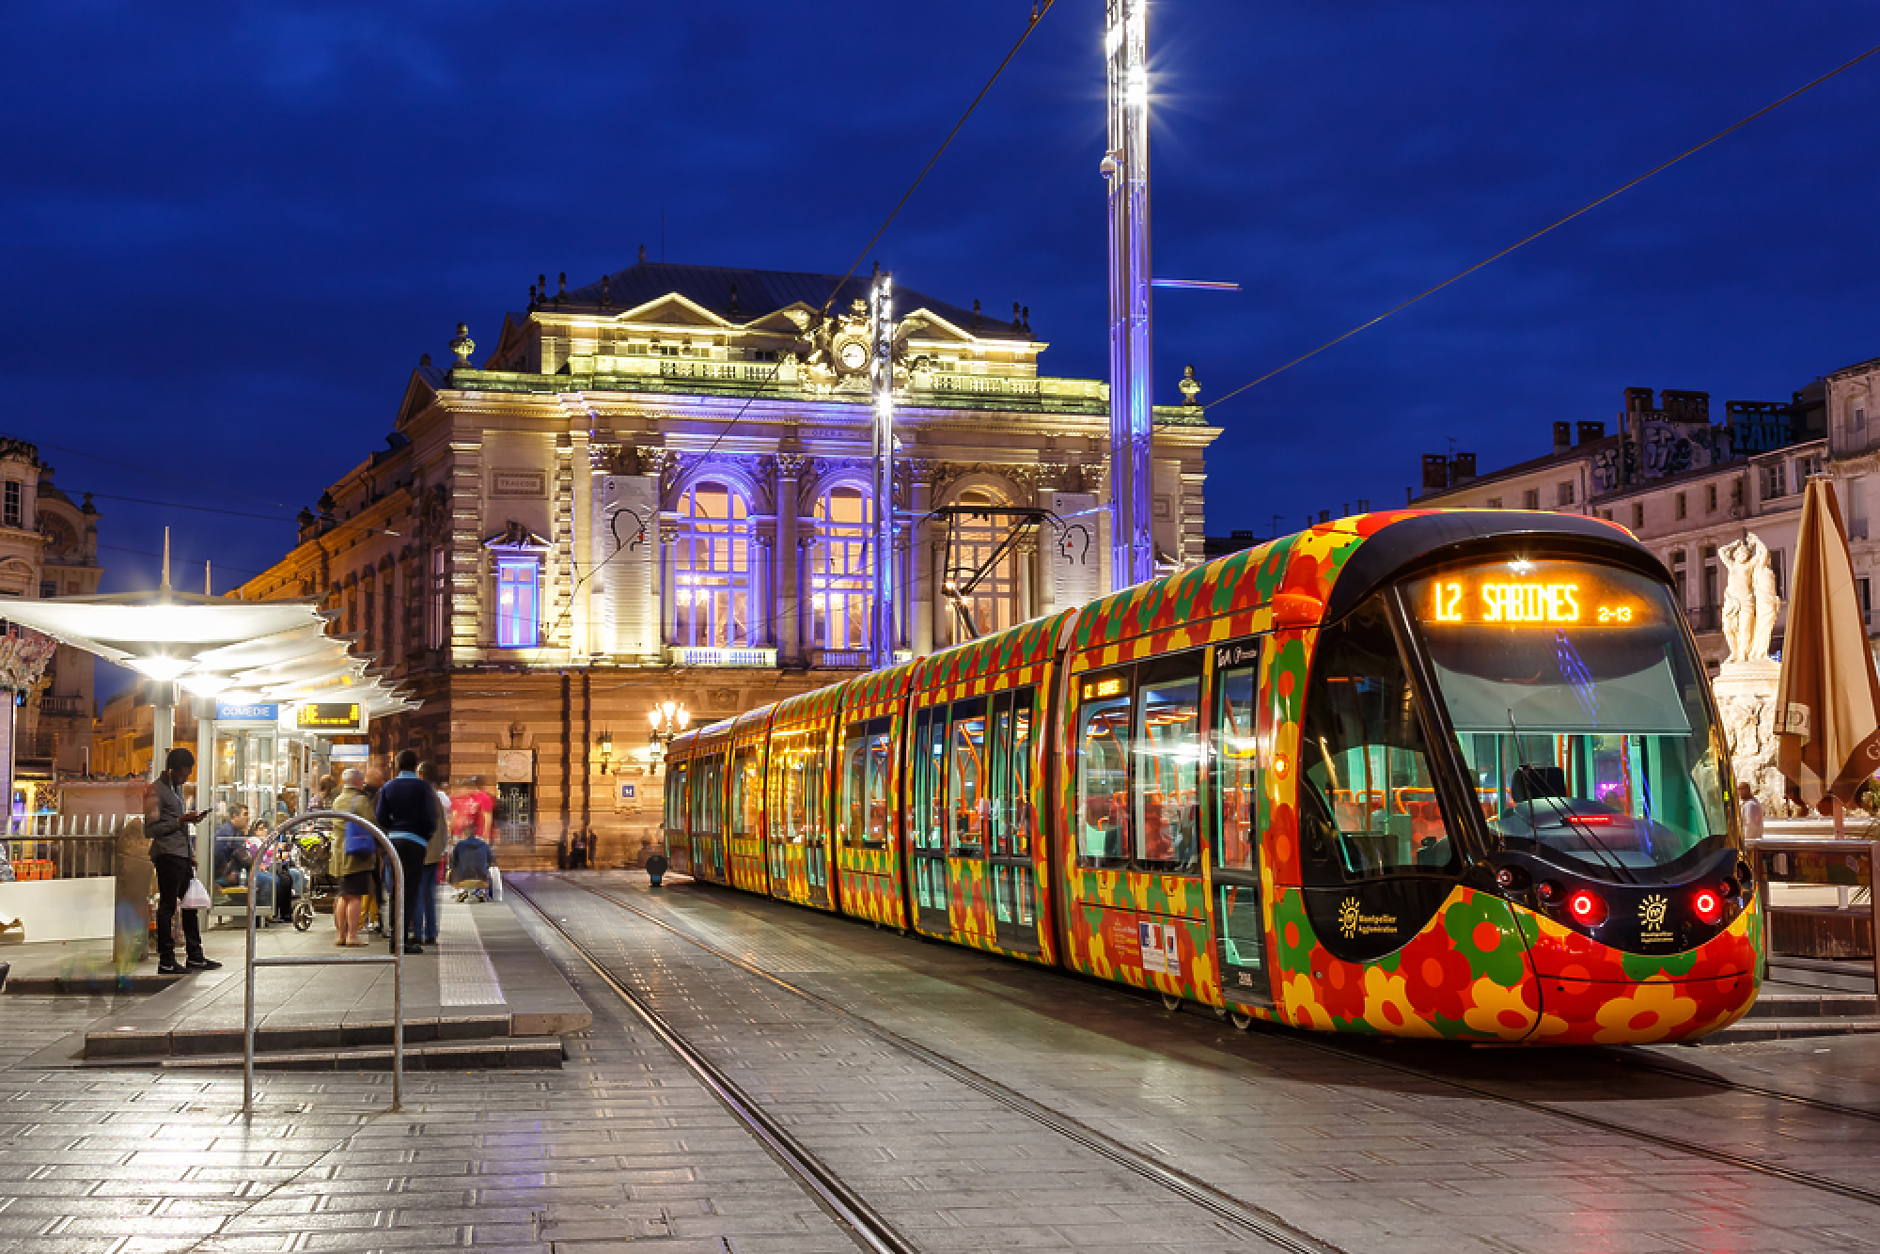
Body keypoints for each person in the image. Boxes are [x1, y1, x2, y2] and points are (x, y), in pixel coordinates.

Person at [144, 748, 220, 975]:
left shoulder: (176, 788)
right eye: (182, 774)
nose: (185, 779)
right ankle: (166, 959)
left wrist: (190, 854)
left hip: (181, 855)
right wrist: (180, 820)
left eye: (187, 775)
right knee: (168, 906)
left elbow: (180, 825)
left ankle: (195, 956)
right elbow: (150, 829)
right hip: (166, 854)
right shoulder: (154, 790)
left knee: (190, 905)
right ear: (171, 769)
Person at [377, 749, 440, 955]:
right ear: (415, 766)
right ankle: (403, 941)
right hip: (415, 843)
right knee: (410, 892)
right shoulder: (424, 788)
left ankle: (395, 938)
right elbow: (432, 818)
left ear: (396, 765)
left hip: (394, 842)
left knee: (395, 890)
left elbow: (381, 818)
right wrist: (424, 836)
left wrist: (394, 829)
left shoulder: (388, 787)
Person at [329, 768, 378, 947]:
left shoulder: (338, 800)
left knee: (343, 895)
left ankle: (340, 934)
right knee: (355, 896)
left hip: (339, 855)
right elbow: (372, 824)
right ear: (359, 782)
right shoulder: (361, 800)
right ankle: (352, 935)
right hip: (356, 855)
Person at [415, 761, 450, 947]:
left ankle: (418, 933)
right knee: (430, 892)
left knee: (418, 892)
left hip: (420, 850)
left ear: (421, 775)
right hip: (434, 851)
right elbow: (443, 827)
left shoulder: (419, 794)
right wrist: (443, 849)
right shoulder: (436, 796)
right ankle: (431, 932)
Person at [449, 824, 495, 900]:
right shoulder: (484, 845)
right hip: (482, 880)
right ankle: (481, 891)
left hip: (464, 880)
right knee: (484, 871)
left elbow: (453, 862)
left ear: (463, 835)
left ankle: (462, 890)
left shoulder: (459, 845)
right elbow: (490, 862)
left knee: (450, 871)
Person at [212, 805, 251, 889]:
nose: (248, 817)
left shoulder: (236, 832)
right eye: (245, 814)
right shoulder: (227, 832)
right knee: (269, 880)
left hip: (238, 872)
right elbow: (217, 853)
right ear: (235, 816)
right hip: (227, 876)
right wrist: (226, 874)